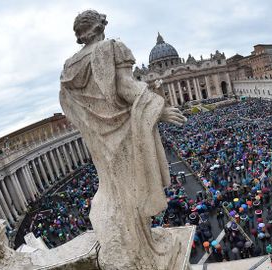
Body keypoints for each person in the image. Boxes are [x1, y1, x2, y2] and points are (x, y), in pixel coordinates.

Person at [60, 10, 187, 269]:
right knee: (133, 189)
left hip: (99, 139)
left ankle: (131, 247)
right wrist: (158, 108)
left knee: (115, 191)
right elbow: (126, 87)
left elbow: (68, 105)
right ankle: (142, 249)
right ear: (100, 27)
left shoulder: (69, 67)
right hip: (124, 133)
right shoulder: (112, 47)